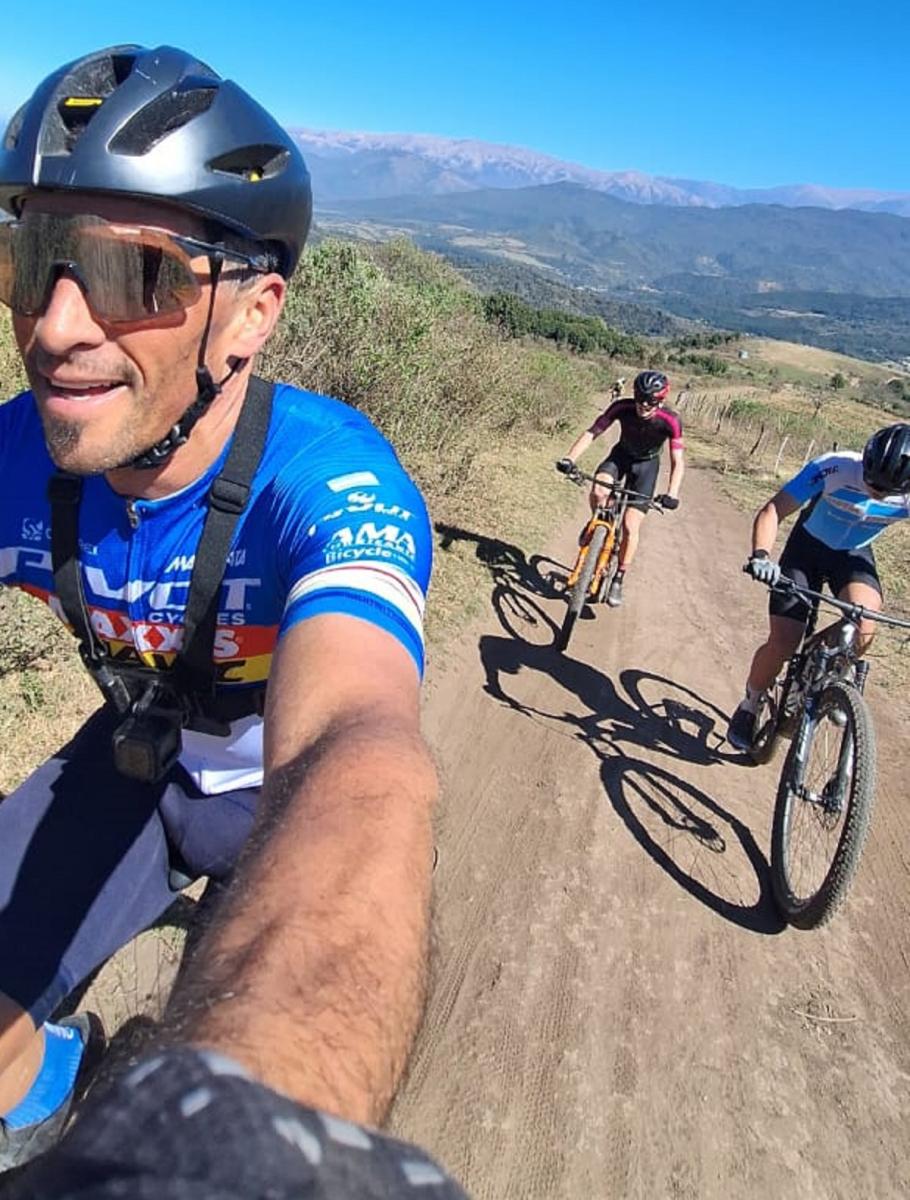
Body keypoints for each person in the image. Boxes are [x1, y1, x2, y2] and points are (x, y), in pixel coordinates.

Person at [0, 43, 437, 1172]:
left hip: (275, 796)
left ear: (250, 315)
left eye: (133, 274)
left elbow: (360, 747)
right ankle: (62, 1072)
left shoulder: (330, 481)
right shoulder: (12, 454)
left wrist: (249, 1152)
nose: (53, 328)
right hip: (137, 760)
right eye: (30, 255)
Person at [727, 424, 910, 750]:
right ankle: (750, 704)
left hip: (851, 556)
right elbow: (773, 510)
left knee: (865, 625)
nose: (875, 492)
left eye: (886, 491)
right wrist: (761, 556)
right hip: (805, 551)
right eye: (870, 481)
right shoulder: (835, 466)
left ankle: (828, 666)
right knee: (783, 642)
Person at [555, 370, 684, 607]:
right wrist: (569, 459)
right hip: (621, 455)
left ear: (661, 400)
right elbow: (593, 432)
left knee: (630, 524)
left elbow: (678, 461)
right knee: (598, 491)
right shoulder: (621, 408)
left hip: (647, 467)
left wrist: (672, 493)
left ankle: (619, 577)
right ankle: (596, 521)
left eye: (651, 401)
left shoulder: (670, 421)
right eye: (640, 398)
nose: (643, 405)